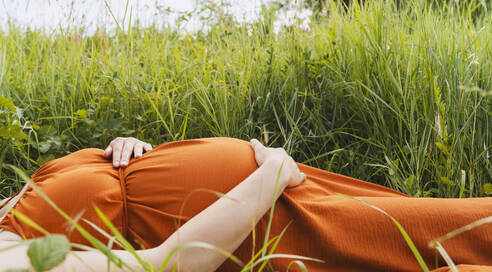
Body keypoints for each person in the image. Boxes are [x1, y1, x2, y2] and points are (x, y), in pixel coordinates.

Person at [0, 137, 491, 272]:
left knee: (436, 224)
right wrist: (271, 176)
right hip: (261, 217)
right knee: (463, 231)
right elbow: (168, 264)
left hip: (274, 186)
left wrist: (120, 153)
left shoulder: (10, 203)